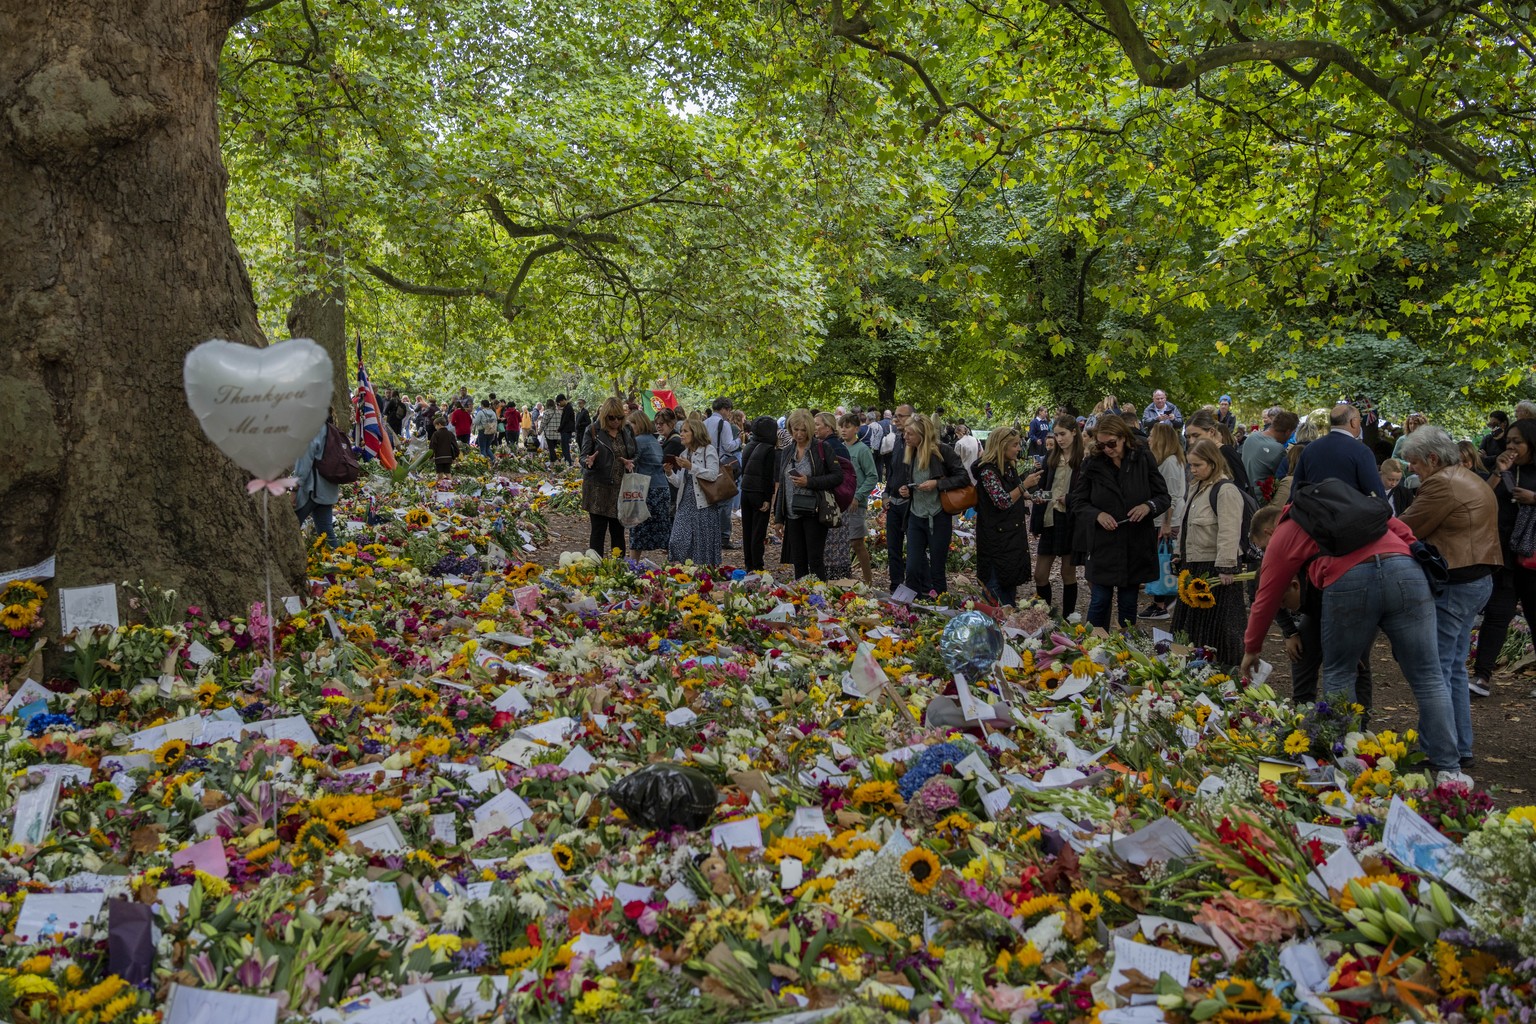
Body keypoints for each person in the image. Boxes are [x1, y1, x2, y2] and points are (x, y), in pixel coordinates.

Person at [1242, 495, 1467, 786]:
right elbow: (1403, 531)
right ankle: (1450, 769)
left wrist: (1252, 647)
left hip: (1349, 578)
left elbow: (1266, 594)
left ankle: (1347, 763)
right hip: (1405, 570)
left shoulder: (1287, 529)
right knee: (1429, 676)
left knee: (1340, 671)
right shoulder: (1350, 506)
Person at [1400, 426, 1501, 767]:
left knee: (1435, 672)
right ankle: (1460, 746)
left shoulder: (1441, 483)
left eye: (1413, 462)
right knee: (1453, 668)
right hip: (1478, 579)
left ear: (1431, 458)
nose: (1410, 469)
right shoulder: (1466, 476)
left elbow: (1405, 529)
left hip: (1456, 582)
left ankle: (1436, 750)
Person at [1068, 414, 1170, 628]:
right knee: (1100, 599)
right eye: (1102, 445)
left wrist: (1147, 506)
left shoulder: (1143, 457)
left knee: (1128, 600)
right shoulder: (1093, 463)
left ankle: (1126, 645)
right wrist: (1097, 515)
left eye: (1112, 444)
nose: (1107, 449)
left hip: (1135, 541)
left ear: (1124, 437)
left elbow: (1163, 496)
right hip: (1103, 542)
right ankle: (1092, 647)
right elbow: (1077, 500)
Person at [1468, 418, 1536, 698]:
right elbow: (1482, 499)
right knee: (1497, 614)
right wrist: (1499, 471)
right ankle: (1482, 676)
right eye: (1508, 441)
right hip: (1504, 555)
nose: (1511, 446)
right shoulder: (1504, 467)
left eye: (1517, 441)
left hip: (1532, 557)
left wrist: (1534, 498)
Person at [1170, 439, 1248, 664]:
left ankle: (1224, 668)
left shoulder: (1226, 491)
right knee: (1191, 625)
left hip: (1215, 569)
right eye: (1190, 465)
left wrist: (1226, 567)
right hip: (1193, 565)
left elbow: (1229, 530)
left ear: (1213, 463)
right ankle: (1191, 666)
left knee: (1220, 627)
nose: (1192, 470)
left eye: (1197, 465)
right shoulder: (1196, 487)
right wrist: (1179, 553)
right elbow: (1187, 525)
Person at [897, 415, 970, 595]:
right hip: (916, 516)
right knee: (912, 567)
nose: (905, 437)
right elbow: (913, 482)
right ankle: (909, 609)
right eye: (905, 433)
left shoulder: (942, 451)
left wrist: (937, 484)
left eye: (910, 434)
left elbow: (963, 477)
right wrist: (907, 490)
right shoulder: (910, 452)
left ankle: (939, 608)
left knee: (937, 569)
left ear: (922, 435)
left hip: (938, 517)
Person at [973, 427, 1041, 607]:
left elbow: (1012, 493)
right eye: (1015, 445)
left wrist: (1031, 495)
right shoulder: (988, 471)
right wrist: (1024, 486)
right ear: (1002, 446)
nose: (1019, 449)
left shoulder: (1008, 468)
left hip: (1011, 538)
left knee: (1009, 586)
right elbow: (1002, 500)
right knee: (995, 591)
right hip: (996, 541)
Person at [772, 409, 842, 579]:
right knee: (798, 560)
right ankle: (801, 598)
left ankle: (819, 597)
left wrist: (809, 482)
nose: (799, 434)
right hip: (792, 512)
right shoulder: (788, 451)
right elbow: (782, 485)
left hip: (814, 511)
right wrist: (778, 518)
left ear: (810, 429)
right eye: (795, 429)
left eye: (803, 430)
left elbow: (837, 476)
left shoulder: (821, 448)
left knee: (815, 559)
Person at [1034, 414, 1082, 615]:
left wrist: (1070, 498)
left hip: (1071, 520)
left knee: (1067, 572)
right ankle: (1045, 615)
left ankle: (1068, 617)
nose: (1059, 439)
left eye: (1063, 434)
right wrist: (1038, 496)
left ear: (1074, 432)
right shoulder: (1051, 457)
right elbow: (1045, 488)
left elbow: (1086, 492)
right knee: (1040, 574)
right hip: (1050, 517)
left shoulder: (1083, 459)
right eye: (1056, 434)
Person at [580, 397, 637, 557]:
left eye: (619, 417)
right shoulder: (593, 430)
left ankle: (617, 568)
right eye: (612, 417)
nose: (616, 421)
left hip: (620, 488)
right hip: (598, 488)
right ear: (604, 416)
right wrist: (587, 461)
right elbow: (583, 456)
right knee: (598, 531)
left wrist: (631, 462)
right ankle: (595, 566)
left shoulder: (627, 430)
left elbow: (636, 453)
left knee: (618, 532)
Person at [1142, 422, 1187, 620]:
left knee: (1164, 560)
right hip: (1164, 518)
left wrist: (1167, 523)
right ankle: (1162, 601)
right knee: (1165, 559)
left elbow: (1170, 496)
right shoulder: (1171, 460)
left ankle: (1161, 603)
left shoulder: (1169, 462)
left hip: (1166, 520)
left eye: (1152, 435)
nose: (1149, 439)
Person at [1291, 404, 1384, 496]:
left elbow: (1296, 487)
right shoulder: (1362, 451)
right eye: (1360, 420)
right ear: (1354, 422)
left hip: (1314, 508)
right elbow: (1375, 491)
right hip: (1350, 509)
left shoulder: (1310, 449)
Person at [666, 418, 723, 565]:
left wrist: (692, 467)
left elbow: (712, 474)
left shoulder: (708, 450)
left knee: (701, 544)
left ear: (695, 432)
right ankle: (682, 569)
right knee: (676, 540)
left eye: (685, 431)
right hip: (685, 502)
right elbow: (680, 482)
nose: (682, 434)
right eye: (681, 431)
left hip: (703, 504)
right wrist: (669, 473)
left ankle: (700, 575)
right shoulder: (684, 454)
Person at [622, 410, 673, 560]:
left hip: (646, 491)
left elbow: (629, 462)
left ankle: (633, 565)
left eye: (630, 424)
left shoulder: (638, 442)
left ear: (638, 424)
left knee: (638, 528)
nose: (628, 428)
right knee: (663, 529)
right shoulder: (654, 440)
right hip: (662, 489)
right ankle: (673, 565)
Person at [814, 412, 856, 579]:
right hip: (835, 502)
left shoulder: (832, 447)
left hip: (833, 503)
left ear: (828, 427)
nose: (814, 427)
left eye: (817, 424)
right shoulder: (830, 444)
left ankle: (834, 581)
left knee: (832, 545)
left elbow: (840, 477)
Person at [840, 413, 879, 585]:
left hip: (856, 503)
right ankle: (844, 579)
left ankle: (868, 581)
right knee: (841, 542)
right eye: (841, 426)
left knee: (856, 542)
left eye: (847, 427)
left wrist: (858, 496)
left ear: (856, 429)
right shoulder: (840, 448)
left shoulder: (862, 449)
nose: (843, 430)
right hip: (840, 501)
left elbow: (872, 476)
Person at [293, 413, 341, 548]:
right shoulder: (330, 429)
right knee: (326, 532)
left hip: (311, 490)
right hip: (328, 488)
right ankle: (337, 563)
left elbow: (303, 464)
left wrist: (294, 489)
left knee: (290, 526)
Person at [740, 416, 780, 573]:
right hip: (759, 492)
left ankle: (749, 563)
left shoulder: (749, 445)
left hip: (746, 490)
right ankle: (757, 565)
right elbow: (767, 476)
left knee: (747, 529)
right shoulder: (769, 449)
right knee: (758, 531)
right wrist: (767, 498)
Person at [883, 405, 916, 589]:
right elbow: (893, 471)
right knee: (893, 548)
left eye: (900, 416)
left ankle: (914, 587)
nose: (896, 420)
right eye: (895, 416)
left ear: (912, 417)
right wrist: (886, 494)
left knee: (913, 548)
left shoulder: (918, 443)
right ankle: (896, 585)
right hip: (893, 502)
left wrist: (912, 490)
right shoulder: (896, 440)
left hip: (911, 503)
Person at [1184, 409, 1251, 494]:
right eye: (1188, 437)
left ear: (1211, 431)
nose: (1191, 441)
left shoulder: (1226, 452)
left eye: (1196, 435)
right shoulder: (1201, 454)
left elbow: (1239, 488)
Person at [704, 398, 741, 549]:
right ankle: (724, 537)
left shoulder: (704, 423)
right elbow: (728, 446)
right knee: (725, 502)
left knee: (710, 500)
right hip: (721, 466)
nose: (729, 414)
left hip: (706, 464)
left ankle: (710, 536)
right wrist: (739, 441)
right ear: (724, 409)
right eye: (729, 410)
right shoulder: (723, 424)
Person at [1241, 409, 1299, 498]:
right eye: (1293, 432)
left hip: (1245, 494)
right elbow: (1286, 476)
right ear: (1288, 432)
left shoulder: (1251, 437)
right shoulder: (1278, 449)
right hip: (1262, 500)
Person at [429, 415, 457, 481]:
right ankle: (451, 484)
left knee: (439, 472)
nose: (435, 428)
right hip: (448, 457)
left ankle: (439, 486)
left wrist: (431, 456)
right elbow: (455, 446)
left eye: (435, 426)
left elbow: (432, 446)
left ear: (439, 424)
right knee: (448, 472)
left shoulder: (436, 434)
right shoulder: (450, 434)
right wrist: (454, 456)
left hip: (439, 457)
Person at [557, 395, 577, 465]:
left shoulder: (568, 408)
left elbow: (565, 420)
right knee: (564, 447)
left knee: (565, 447)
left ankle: (568, 462)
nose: (559, 404)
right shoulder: (567, 407)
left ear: (563, 400)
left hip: (566, 430)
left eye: (559, 402)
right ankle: (566, 461)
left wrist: (559, 429)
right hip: (565, 430)